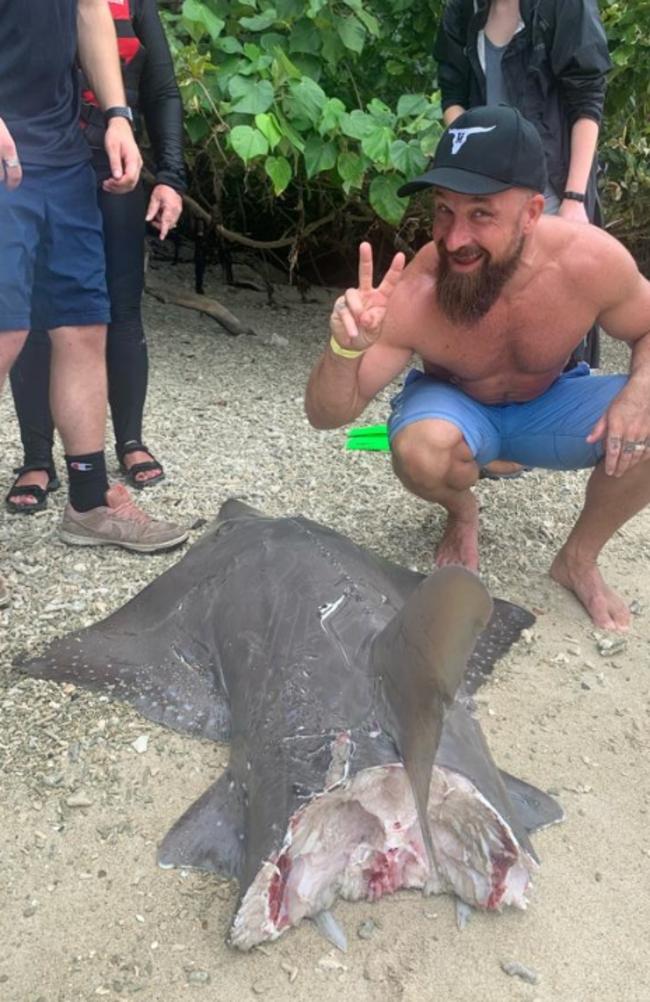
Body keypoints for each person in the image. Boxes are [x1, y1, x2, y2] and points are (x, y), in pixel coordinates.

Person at [304, 106, 650, 633]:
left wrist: (640, 388)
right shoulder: (420, 288)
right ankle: (461, 510)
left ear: (533, 213)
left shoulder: (590, 263)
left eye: (481, 214)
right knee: (420, 450)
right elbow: (327, 416)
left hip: (547, 406)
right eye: (444, 210)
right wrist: (344, 349)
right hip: (456, 408)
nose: (455, 237)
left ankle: (578, 558)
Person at [0, 0, 187, 606]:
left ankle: (89, 500)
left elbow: (87, 10)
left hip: (58, 151)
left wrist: (116, 115)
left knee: (84, 325)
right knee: (5, 332)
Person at [434, 0, 611, 367]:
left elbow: (588, 100)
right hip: (485, 191)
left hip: (554, 184)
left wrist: (574, 199)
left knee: (557, 308)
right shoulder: (462, 8)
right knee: (482, 304)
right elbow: (452, 94)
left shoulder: (567, 6)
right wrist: (472, 160)